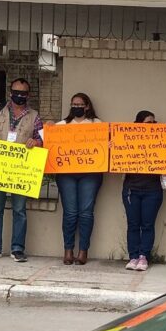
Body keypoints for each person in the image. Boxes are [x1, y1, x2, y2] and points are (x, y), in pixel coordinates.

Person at [0, 78, 43, 263]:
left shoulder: (34, 116)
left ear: (28, 95)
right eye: (16, 92)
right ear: (10, 92)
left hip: (20, 170)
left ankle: (17, 249)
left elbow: (43, 139)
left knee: (20, 210)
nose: (19, 96)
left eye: (23, 93)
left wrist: (36, 142)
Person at [54, 93, 103, 265]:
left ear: (87, 106)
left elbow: (105, 144)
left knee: (86, 213)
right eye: (73, 104)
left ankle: (83, 251)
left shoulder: (98, 125)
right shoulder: (62, 125)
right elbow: (50, 145)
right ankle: (68, 250)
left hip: (90, 173)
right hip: (66, 173)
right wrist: (48, 131)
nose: (76, 106)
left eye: (80, 104)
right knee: (70, 213)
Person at [121, 110, 164, 271]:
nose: (152, 126)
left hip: (153, 189)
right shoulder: (128, 140)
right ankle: (133, 256)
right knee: (133, 224)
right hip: (132, 189)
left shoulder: (161, 139)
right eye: (148, 123)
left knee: (147, 224)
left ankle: (143, 256)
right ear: (138, 124)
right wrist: (114, 147)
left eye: (154, 123)